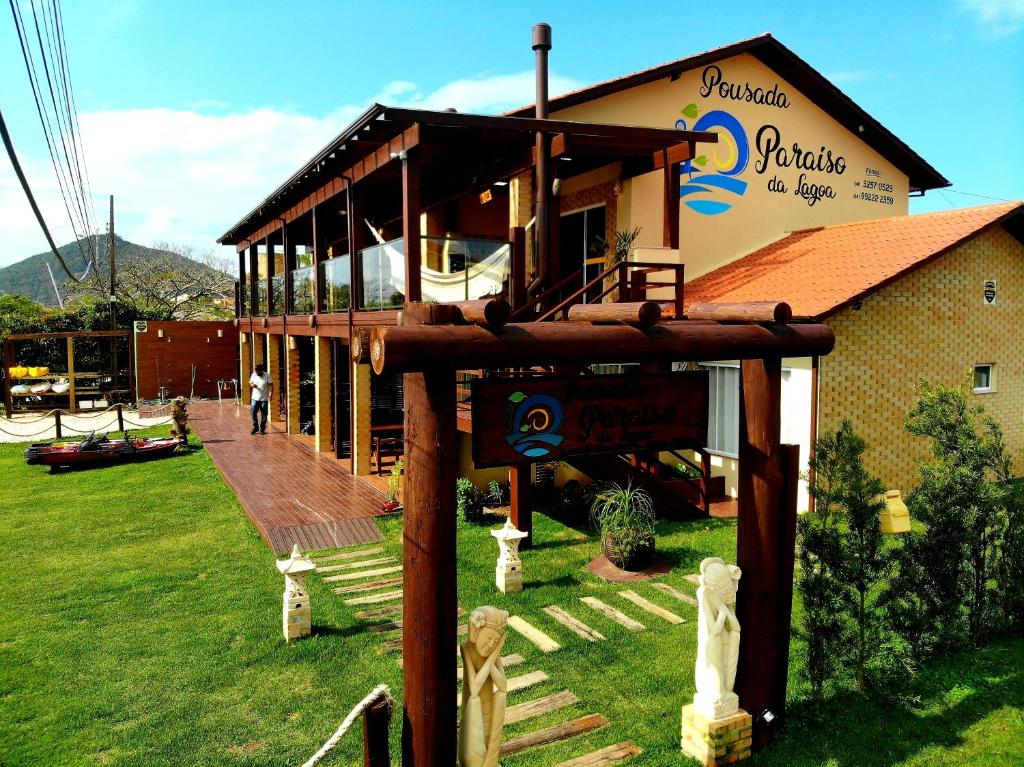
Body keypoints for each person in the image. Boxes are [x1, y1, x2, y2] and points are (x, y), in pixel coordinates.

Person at [249, 363, 273, 435]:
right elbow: (250, 382)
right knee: (253, 413)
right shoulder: (253, 375)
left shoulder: (267, 375)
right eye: (256, 371)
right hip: (254, 398)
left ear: (262, 370)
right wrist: (252, 385)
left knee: (264, 414)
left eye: (258, 371)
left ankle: (262, 429)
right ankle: (255, 427)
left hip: (264, 399)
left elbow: (271, 386)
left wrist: (270, 395)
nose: (257, 373)